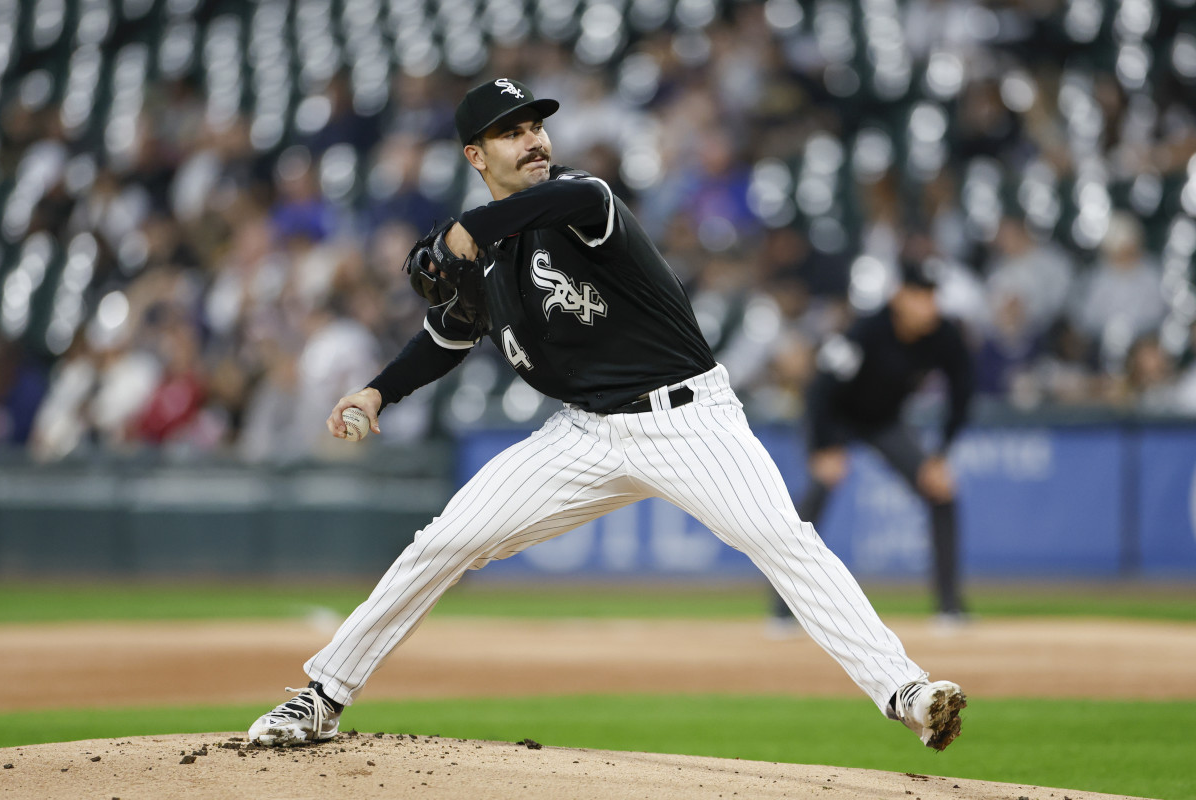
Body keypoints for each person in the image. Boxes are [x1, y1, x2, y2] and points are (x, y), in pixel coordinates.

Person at [247, 78, 967, 752]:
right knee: (442, 541)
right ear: (476, 154)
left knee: (785, 541)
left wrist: (467, 228)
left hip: (689, 421)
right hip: (586, 434)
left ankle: (906, 691)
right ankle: (322, 697)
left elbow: (565, 203)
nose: (533, 141)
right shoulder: (489, 262)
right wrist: (377, 391)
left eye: (535, 127)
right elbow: (447, 336)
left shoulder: (580, 201)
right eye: (510, 133)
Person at [767, 260, 974, 633]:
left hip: (886, 423)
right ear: (899, 296)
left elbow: (962, 392)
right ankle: (783, 611)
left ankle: (949, 607)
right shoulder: (866, 332)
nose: (927, 304)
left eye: (931, 296)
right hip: (839, 420)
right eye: (918, 295)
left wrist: (941, 455)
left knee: (941, 489)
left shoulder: (943, 335)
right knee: (813, 498)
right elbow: (820, 390)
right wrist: (824, 448)